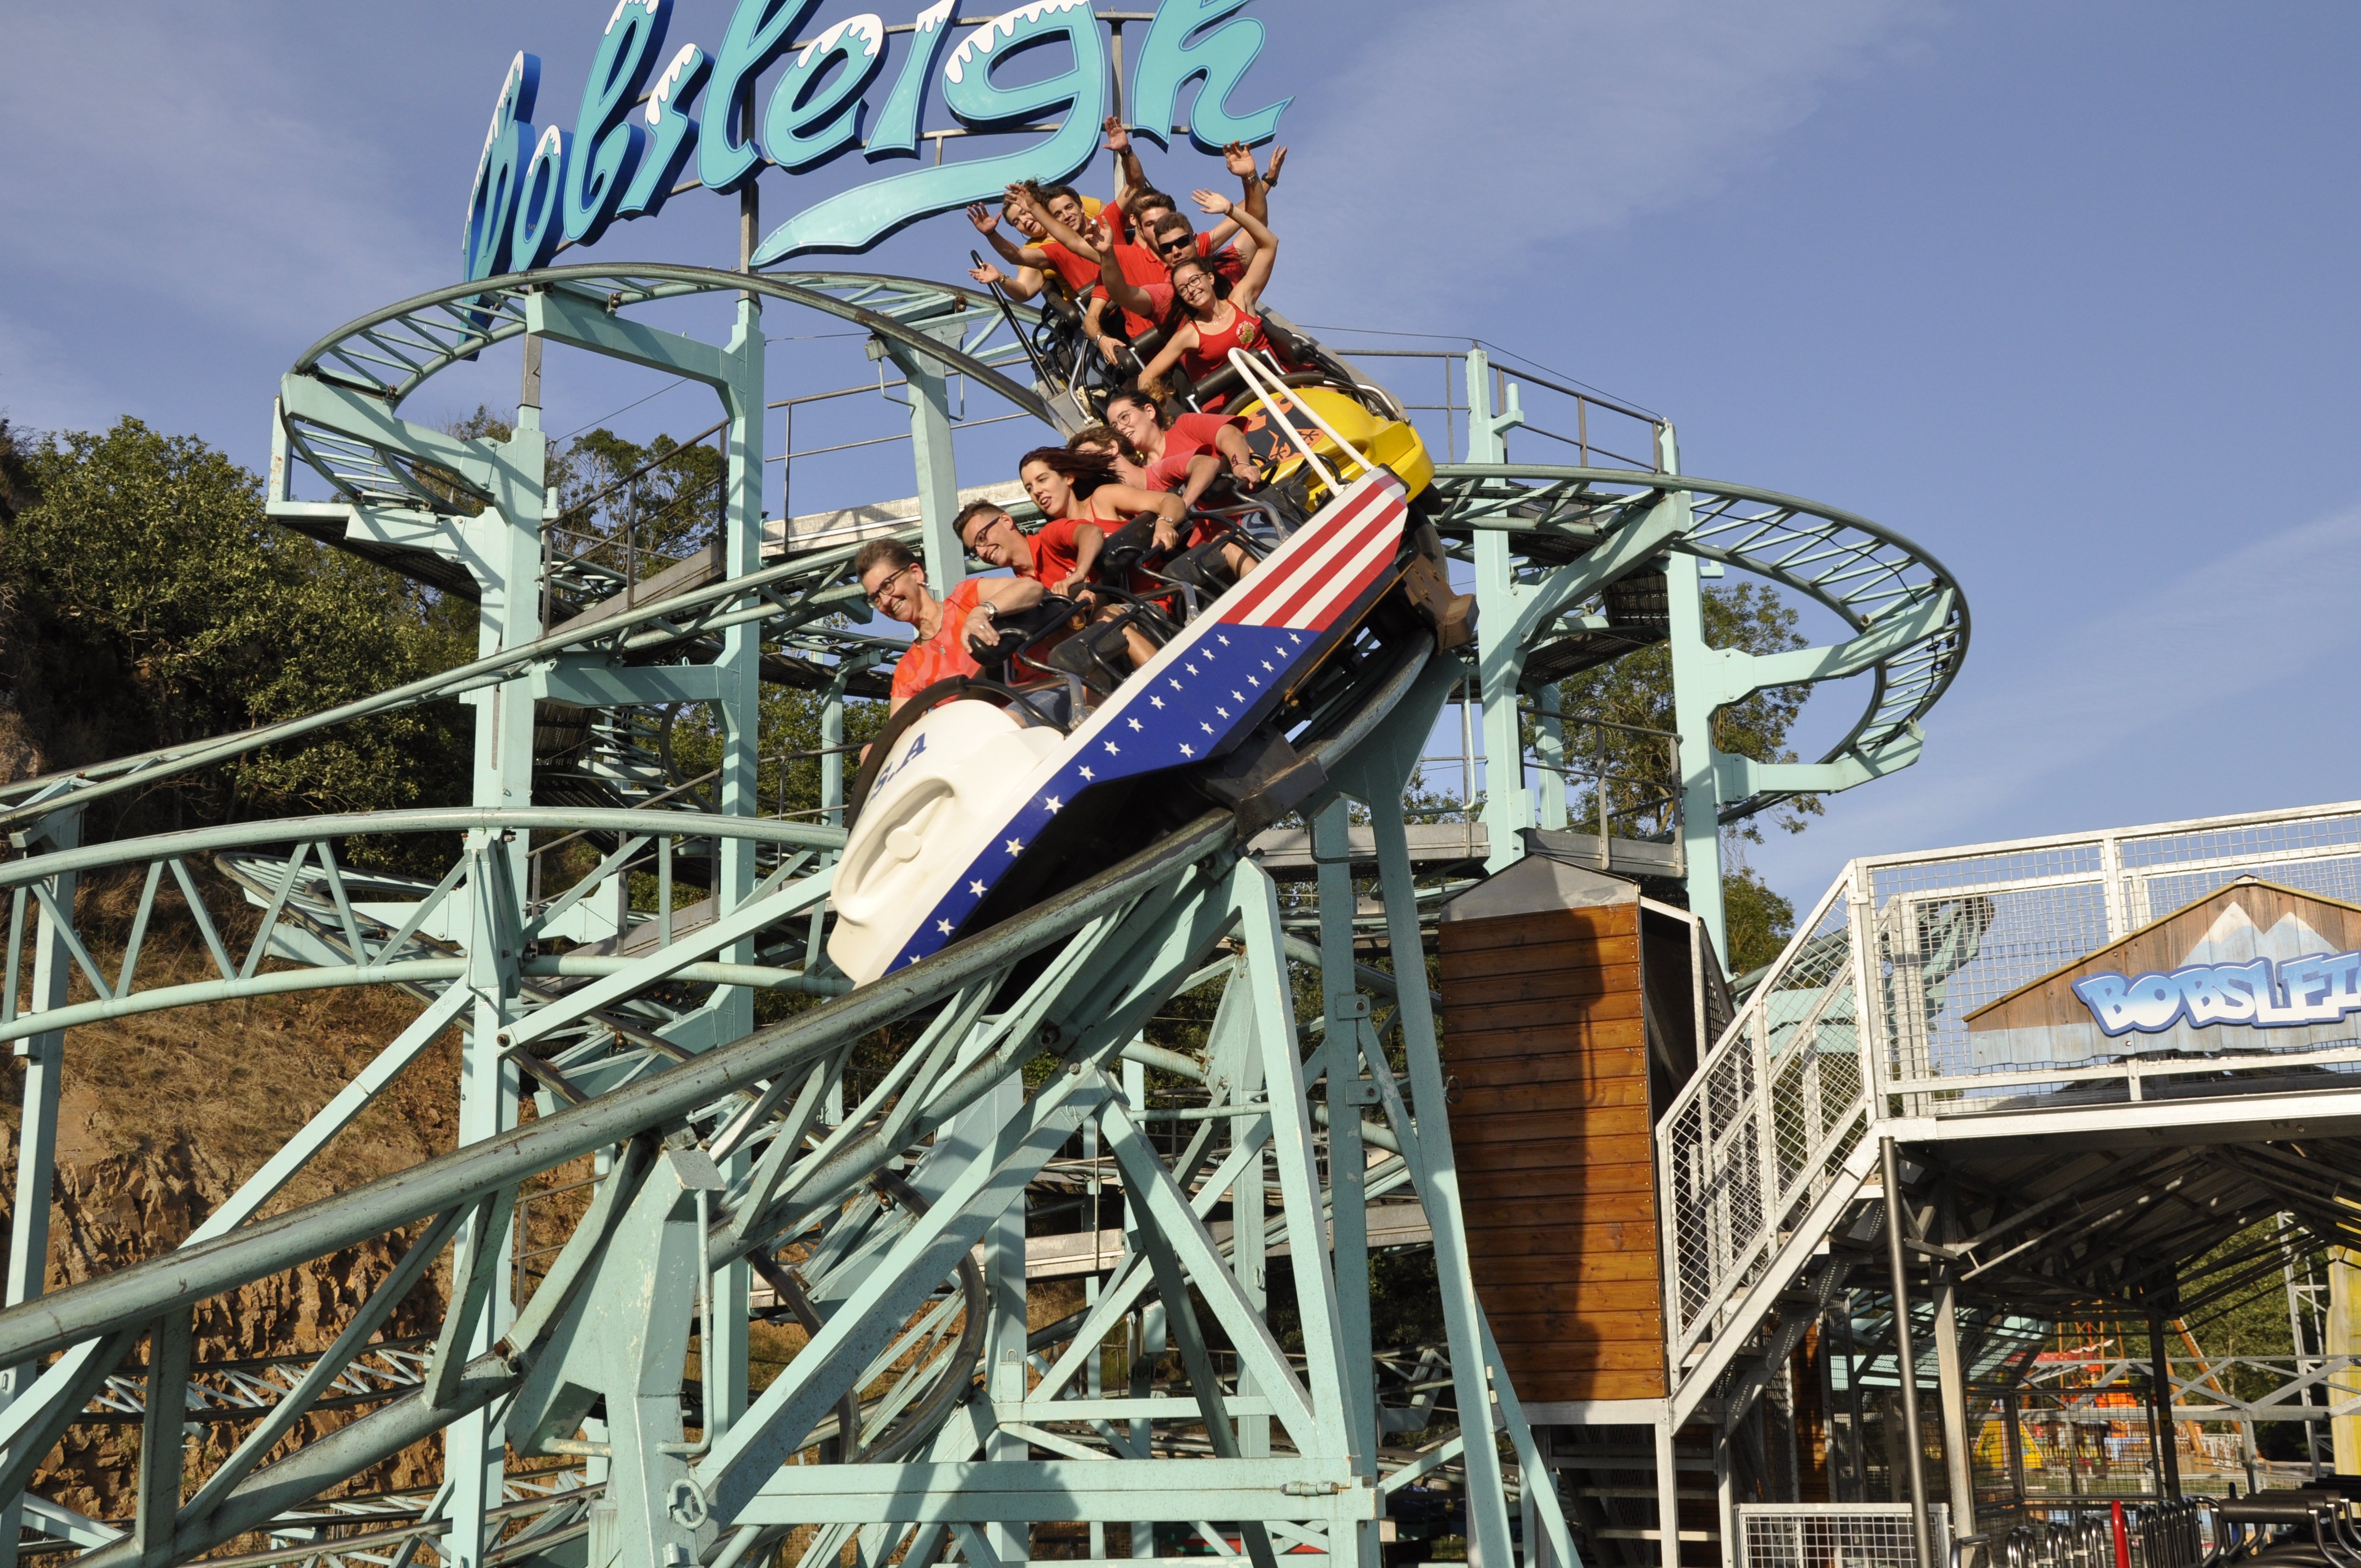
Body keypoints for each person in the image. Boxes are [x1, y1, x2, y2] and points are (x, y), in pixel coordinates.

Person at [1103, 192, 1279, 409]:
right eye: (1167, 248)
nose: (1176, 252)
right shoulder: (1170, 299)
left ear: (1210, 278)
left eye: (1182, 242)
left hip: (1275, 382)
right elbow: (1123, 295)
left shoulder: (1236, 291)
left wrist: (1248, 181)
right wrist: (1106, 254)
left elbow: (1265, 237)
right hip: (1229, 402)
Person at [856, 538, 1043, 714]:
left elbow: (1032, 588)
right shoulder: (909, 669)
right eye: (876, 598)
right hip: (983, 735)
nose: (886, 601)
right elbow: (900, 732)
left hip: (1036, 700)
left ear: (916, 573)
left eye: (887, 586)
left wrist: (982, 612)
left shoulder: (966, 598)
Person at [1105, 388, 1259, 513]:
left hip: (1244, 508)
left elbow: (1230, 434)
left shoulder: (1185, 426)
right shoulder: (1142, 474)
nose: (1121, 428)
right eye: (1114, 426)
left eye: (1124, 417)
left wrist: (1240, 465)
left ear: (1149, 411)